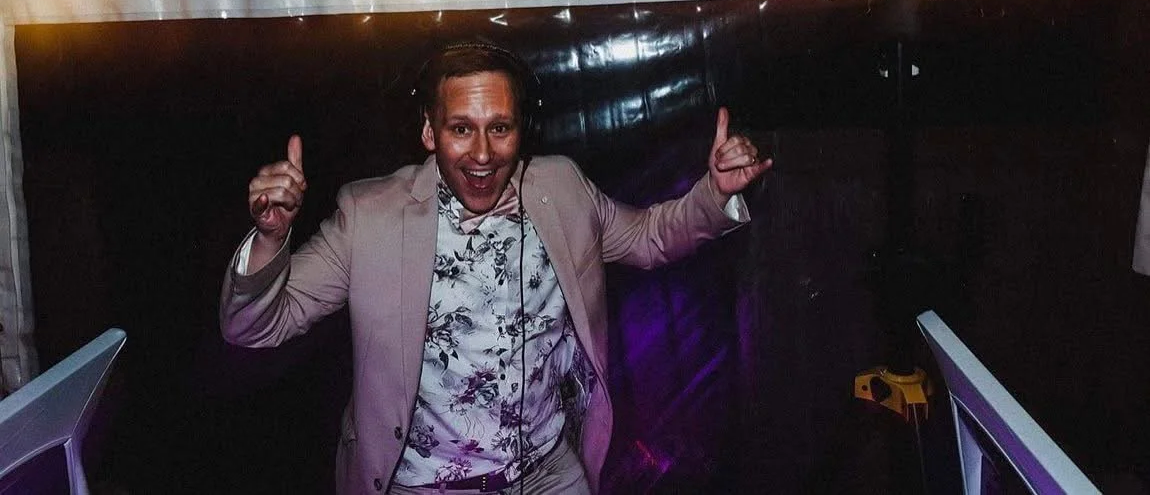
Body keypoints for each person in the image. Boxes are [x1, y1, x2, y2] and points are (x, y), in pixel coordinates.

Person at [220, 41, 771, 495]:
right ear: (429, 133)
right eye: (461, 129)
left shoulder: (561, 188)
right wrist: (272, 238)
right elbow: (254, 326)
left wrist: (712, 194)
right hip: (420, 485)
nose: (482, 153)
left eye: (500, 128)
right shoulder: (370, 216)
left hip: (548, 477)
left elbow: (651, 237)